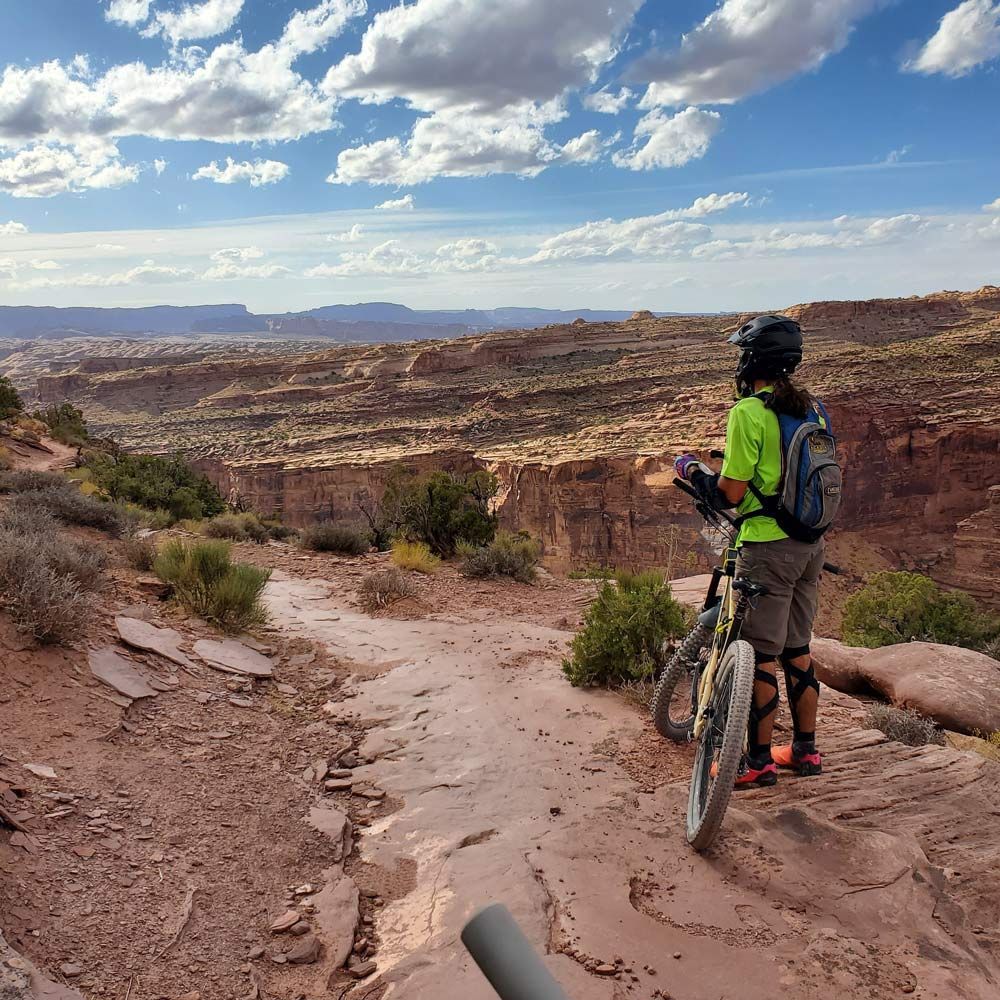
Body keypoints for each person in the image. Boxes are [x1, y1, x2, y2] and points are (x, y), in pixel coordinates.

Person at [674, 315, 832, 788]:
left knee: (760, 652)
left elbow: (732, 492)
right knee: (797, 649)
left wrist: (693, 471)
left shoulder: (747, 412)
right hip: (811, 544)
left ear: (751, 361)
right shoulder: (814, 410)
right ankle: (805, 752)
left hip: (768, 546)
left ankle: (758, 761)